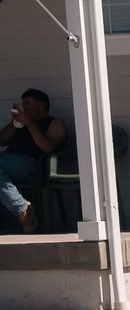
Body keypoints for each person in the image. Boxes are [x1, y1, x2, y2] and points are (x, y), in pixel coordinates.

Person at [0, 89, 68, 233]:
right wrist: (15, 123)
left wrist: (30, 125)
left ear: (41, 106)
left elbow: (48, 147)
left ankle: (21, 208)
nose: (24, 107)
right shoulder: (20, 123)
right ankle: (23, 211)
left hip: (29, 161)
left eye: (27, 103)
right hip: (7, 159)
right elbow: (2, 140)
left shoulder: (54, 123)